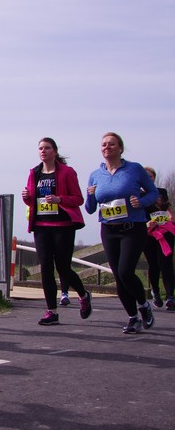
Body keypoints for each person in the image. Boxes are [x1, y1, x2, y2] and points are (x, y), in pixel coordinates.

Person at [85, 132, 158, 333]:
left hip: (132, 228)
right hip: (109, 230)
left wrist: (141, 202)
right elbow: (90, 208)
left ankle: (143, 305)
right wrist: (91, 195)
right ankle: (133, 318)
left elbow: (153, 192)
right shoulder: (95, 175)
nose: (107, 147)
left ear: (120, 148)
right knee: (119, 277)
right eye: (104, 144)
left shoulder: (134, 169)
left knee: (125, 271)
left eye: (111, 144)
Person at [21, 137, 91, 325]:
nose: (43, 151)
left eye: (47, 148)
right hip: (41, 226)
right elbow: (32, 200)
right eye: (40, 148)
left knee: (63, 268)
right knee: (45, 267)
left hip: (63, 226)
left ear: (55, 151)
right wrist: (26, 197)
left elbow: (78, 199)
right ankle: (51, 311)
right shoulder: (34, 173)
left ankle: (84, 295)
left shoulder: (67, 172)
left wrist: (60, 199)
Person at [142, 167, 174, 310]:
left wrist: (171, 216)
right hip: (149, 233)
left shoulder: (162, 192)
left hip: (165, 231)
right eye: (145, 176)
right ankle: (155, 292)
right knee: (154, 265)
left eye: (150, 176)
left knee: (166, 263)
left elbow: (167, 207)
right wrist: (146, 224)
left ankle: (170, 297)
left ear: (154, 178)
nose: (148, 178)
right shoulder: (137, 194)